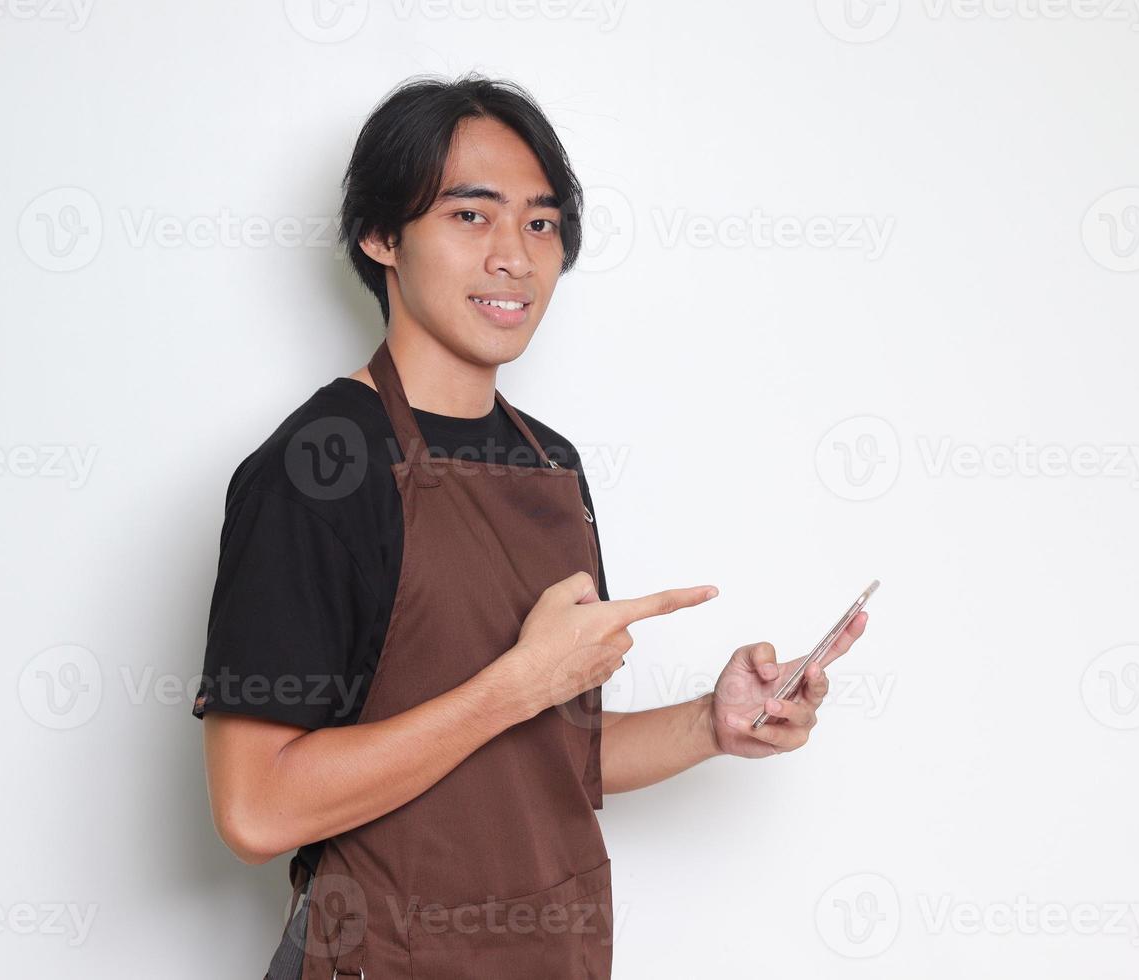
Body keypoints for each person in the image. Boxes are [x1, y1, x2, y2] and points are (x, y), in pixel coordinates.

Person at [193, 72, 869, 980]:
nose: (515, 255)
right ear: (381, 236)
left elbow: (549, 755)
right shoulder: (317, 472)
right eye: (471, 216)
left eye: (541, 223)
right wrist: (517, 683)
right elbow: (255, 810)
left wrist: (712, 723)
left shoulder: (551, 465)